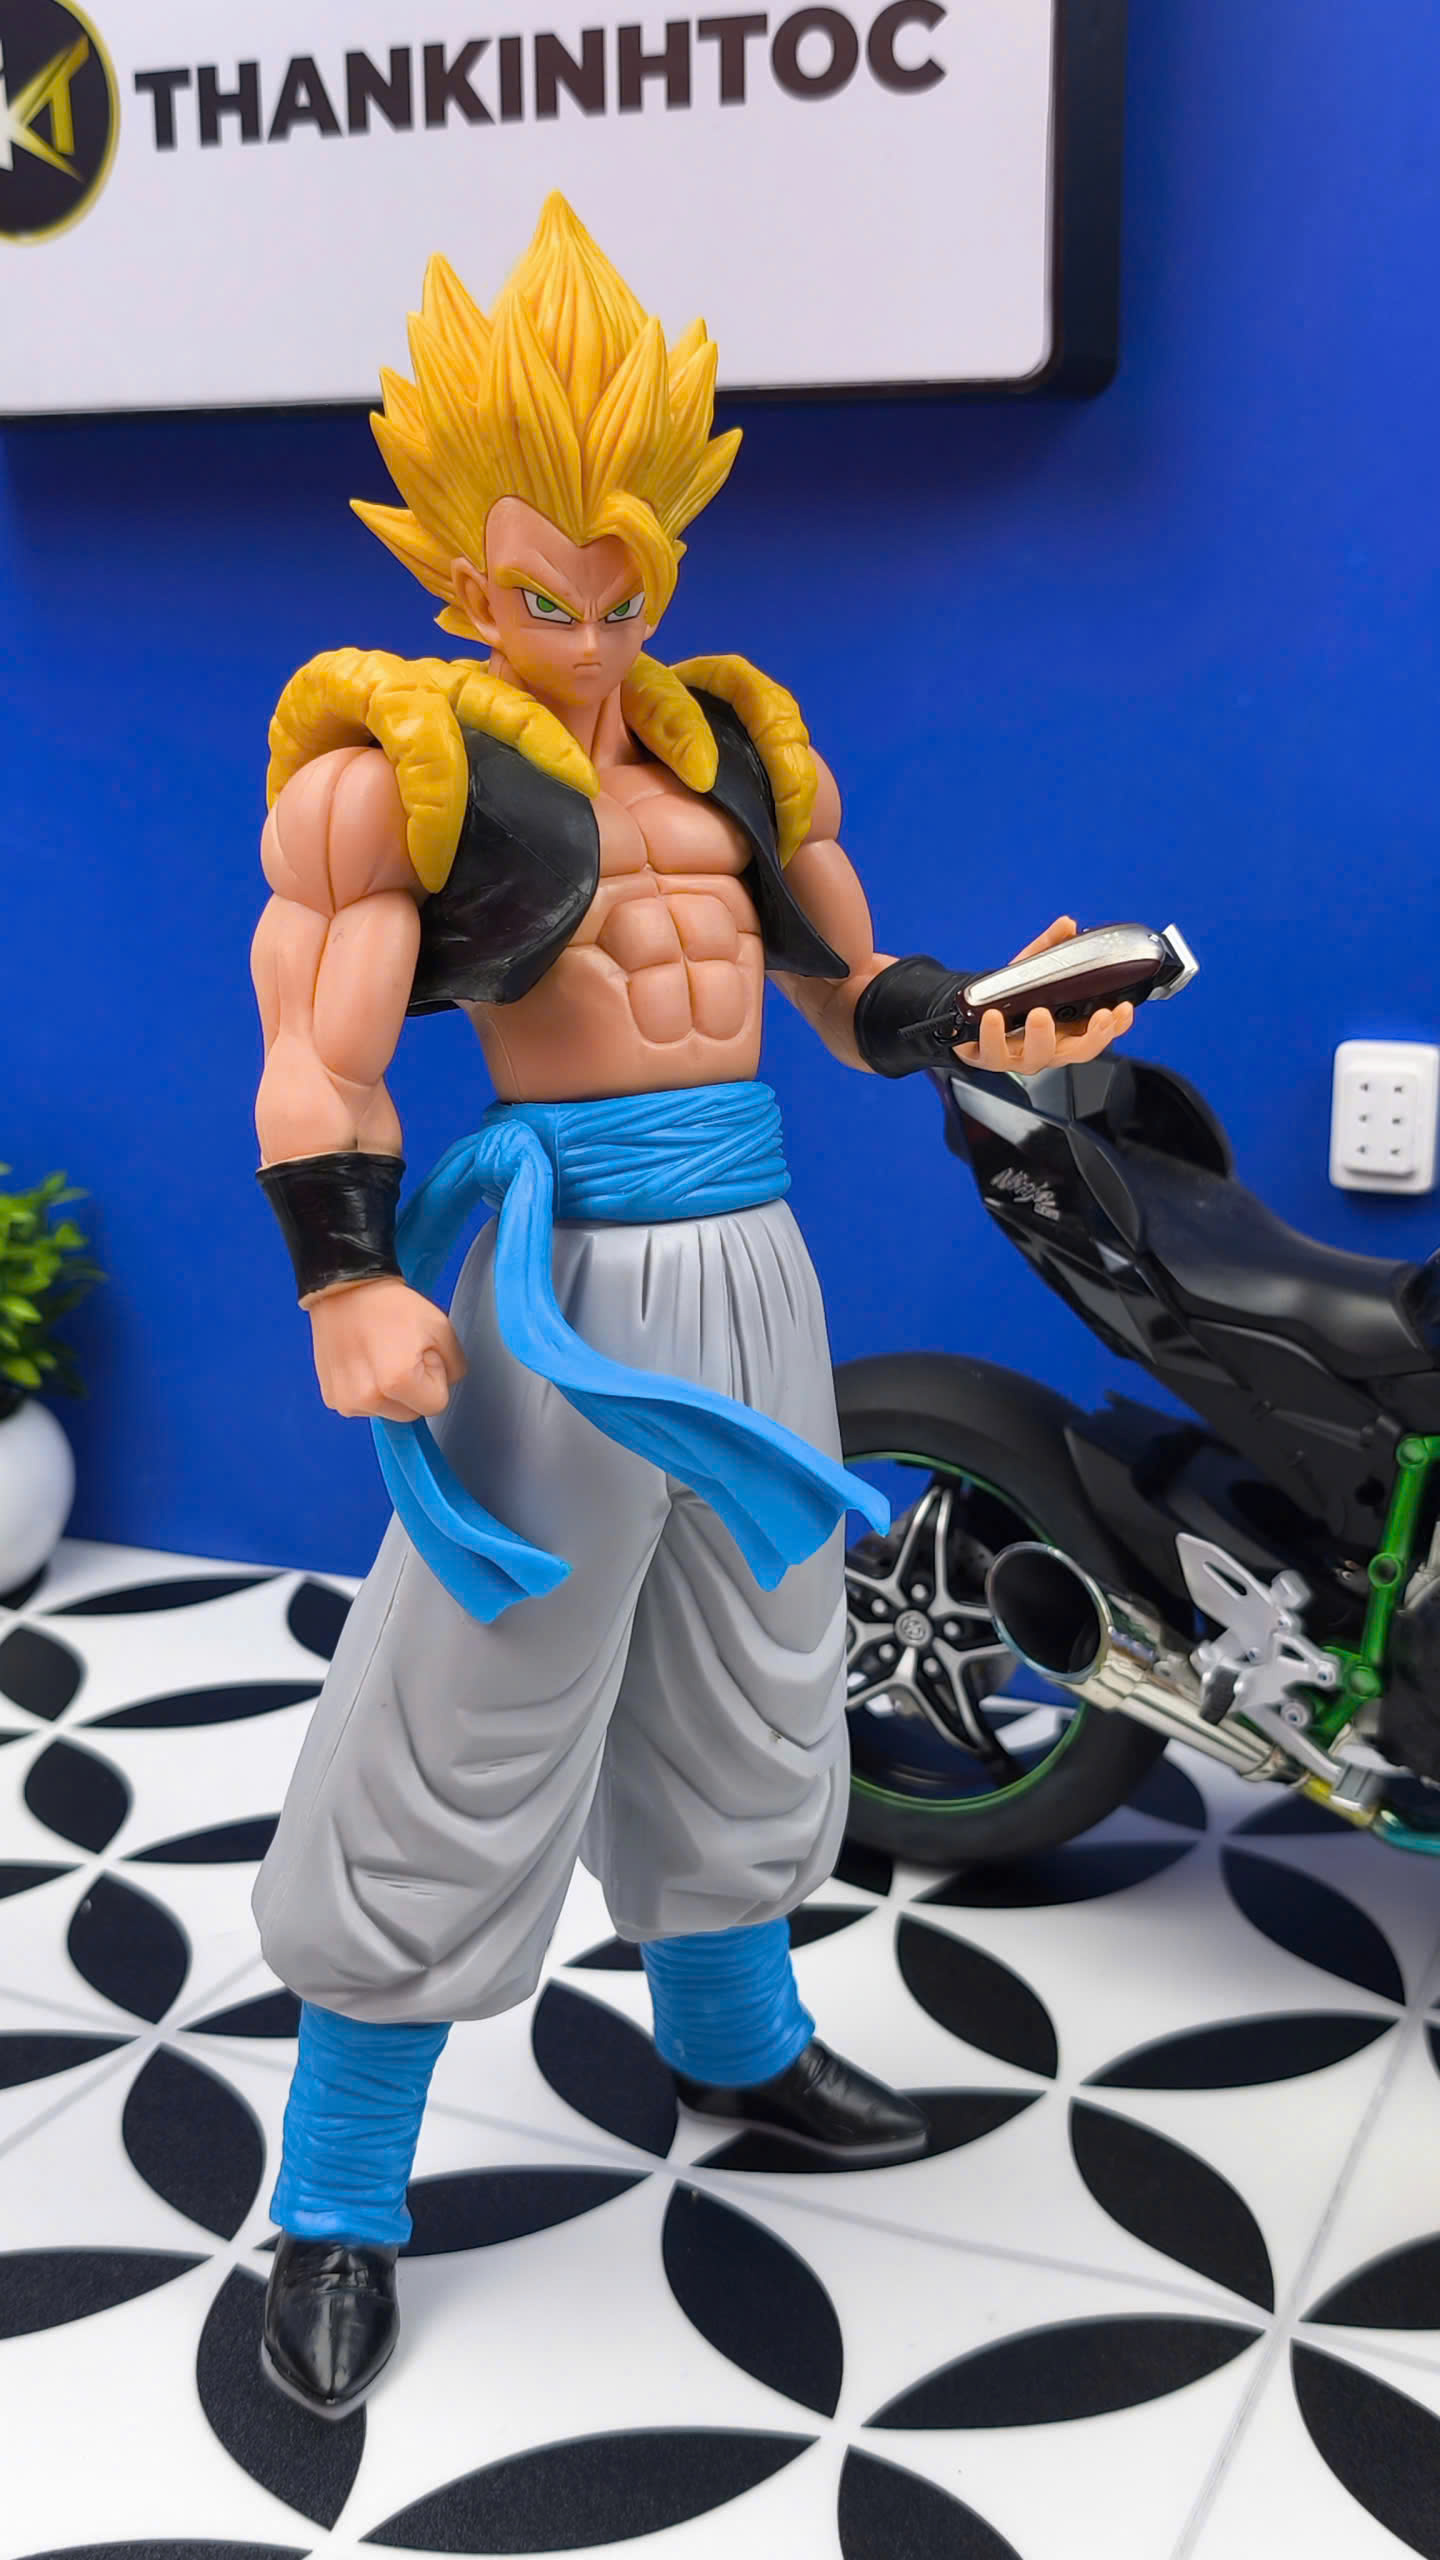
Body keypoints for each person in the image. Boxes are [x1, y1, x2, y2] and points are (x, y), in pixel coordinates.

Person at [248, 194, 1134, 2418]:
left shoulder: (730, 742)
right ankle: (339, 2186)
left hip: (751, 1252)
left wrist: (975, 1016)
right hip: (565, 1284)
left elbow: (846, 984)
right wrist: (351, 1279)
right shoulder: (398, 770)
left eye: (626, 586)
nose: (591, 630)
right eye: (543, 594)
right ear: (459, 573)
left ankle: (735, 2036)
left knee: (760, 1649)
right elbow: (319, 1055)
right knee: (474, 1694)